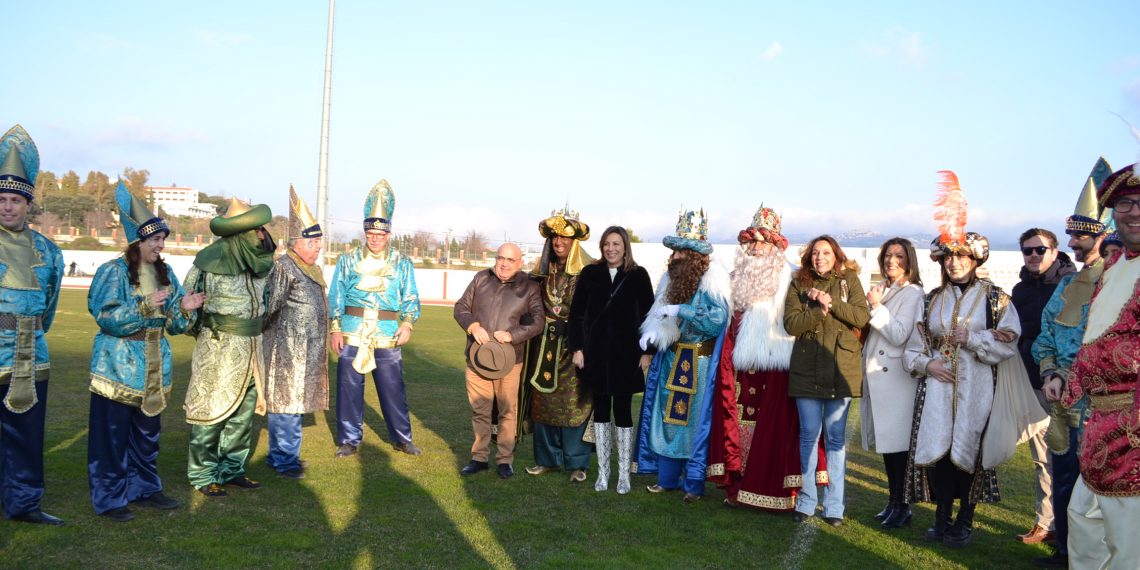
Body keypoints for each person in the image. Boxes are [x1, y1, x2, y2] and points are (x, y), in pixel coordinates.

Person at [904, 170, 1043, 548]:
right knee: (941, 458)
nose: (953, 264)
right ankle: (941, 515)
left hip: (979, 388)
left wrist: (975, 338)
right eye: (948, 258)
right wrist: (925, 364)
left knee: (971, 455)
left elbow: (1009, 341)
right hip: (935, 391)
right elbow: (914, 347)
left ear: (974, 260)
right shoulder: (932, 299)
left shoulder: (996, 298)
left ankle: (965, 518)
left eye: (960, 257)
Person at [86, 182, 203, 522]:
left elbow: (176, 326)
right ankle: (109, 497)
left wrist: (186, 306)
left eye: (162, 238)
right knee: (111, 437)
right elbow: (106, 317)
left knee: (147, 434)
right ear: (137, 241)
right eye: (154, 239)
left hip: (155, 368)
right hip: (117, 367)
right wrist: (142, 305)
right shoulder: (114, 272)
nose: (160, 245)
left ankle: (145, 488)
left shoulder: (166, 274)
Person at [707, 207, 826, 511]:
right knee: (739, 422)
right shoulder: (734, 278)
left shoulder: (791, 279)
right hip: (740, 366)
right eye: (753, 243)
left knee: (773, 427)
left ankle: (772, 489)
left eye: (764, 243)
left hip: (778, 365)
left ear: (775, 248)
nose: (757, 248)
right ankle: (739, 483)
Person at [1054, 163, 1140, 569]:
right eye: (1125, 202)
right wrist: (1068, 388)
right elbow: (1096, 339)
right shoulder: (1116, 267)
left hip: (1134, 442)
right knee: (1085, 535)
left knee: (1130, 547)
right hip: (1097, 435)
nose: (1135, 211)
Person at [1033, 158, 1112, 568]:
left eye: (1081, 235)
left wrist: (1069, 376)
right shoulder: (1065, 284)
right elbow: (1046, 333)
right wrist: (1050, 373)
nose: (1073, 241)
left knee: (1099, 484)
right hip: (1062, 400)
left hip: (1100, 403)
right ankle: (1065, 551)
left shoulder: (1116, 283)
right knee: (1063, 477)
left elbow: (1103, 344)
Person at [183, 197, 276, 497]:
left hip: (252, 348)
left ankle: (231, 469)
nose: (262, 235)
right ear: (242, 233)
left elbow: (267, 301)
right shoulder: (207, 262)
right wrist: (207, 330)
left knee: (243, 414)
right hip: (219, 349)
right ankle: (202, 474)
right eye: (257, 230)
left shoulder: (261, 263)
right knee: (212, 410)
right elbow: (187, 303)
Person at [635, 208, 730, 502]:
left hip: (699, 364)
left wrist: (682, 310)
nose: (674, 256)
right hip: (671, 361)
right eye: (674, 250)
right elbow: (660, 314)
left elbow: (716, 321)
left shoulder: (712, 281)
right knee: (667, 418)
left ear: (695, 255)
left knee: (693, 425)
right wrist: (653, 333)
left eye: (681, 251)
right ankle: (666, 479)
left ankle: (693, 485)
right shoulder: (669, 279)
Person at [328, 180, 422, 458]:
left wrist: (407, 323)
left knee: (393, 389)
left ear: (388, 234)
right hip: (352, 331)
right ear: (365, 232)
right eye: (371, 233)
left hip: (387, 332)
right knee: (348, 389)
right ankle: (349, 439)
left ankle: (401, 438)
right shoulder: (347, 260)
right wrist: (335, 329)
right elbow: (336, 295)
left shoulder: (402, 262)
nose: (375, 238)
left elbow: (410, 297)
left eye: (381, 234)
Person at [0, 125, 65, 525]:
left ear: (28, 205)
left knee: (26, 434)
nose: (7, 207)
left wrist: (28, 331)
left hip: (31, 354)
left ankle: (24, 504)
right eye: (1, 199)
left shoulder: (49, 250)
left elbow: (51, 305)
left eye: (15, 200)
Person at [783, 235, 869, 526]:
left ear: (836, 256)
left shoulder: (850, 281)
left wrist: (831, 304)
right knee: (808, 435)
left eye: (826, 252)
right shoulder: (798, 283)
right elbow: (791, 324)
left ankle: (834, 506)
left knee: (835, 438)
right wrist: (817, 311)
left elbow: (861, 317)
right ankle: (807, 501)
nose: (820, 257)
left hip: (840, 368)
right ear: (809, 257)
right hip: (807, 367)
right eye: (815, 252)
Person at [567, 226, 654, 494]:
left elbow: (650, 317)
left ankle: (623, 475)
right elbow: (577, 315)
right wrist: (578, 348)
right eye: (606, 244)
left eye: (616, 244)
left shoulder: (638, 275)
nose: (611, 248)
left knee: (624, 413)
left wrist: (647, 351)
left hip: (626, 357)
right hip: (595, 356)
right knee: (601, 413)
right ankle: (603, 473)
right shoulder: (590, 274)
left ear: (625, 246)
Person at [453, 243, 544, 479]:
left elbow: (538, 322)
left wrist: (513, 335)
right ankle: (479, 458)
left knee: (507, 411)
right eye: (500, 258)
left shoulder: (530, 287)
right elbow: (461, 307)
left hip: (510, 361)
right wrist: (471, 325)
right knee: (480, 411)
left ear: (520, 263)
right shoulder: (480, 278)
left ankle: (505, 460)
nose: (504, 263)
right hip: (477, 357)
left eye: (510, 260)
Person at [1012, 227, 1076, 545]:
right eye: (1028, 250)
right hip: (1032, 383)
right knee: (1042, 457)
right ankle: (1046, 522)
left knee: (1069, 458)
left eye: (1040, 249)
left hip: (1069, 385)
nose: (1034, 255)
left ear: (1055, 251)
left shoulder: (1072, 287)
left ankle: (1072, 529)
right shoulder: (1020, 290)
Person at [521, 208, 594, 482]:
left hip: (574, 348)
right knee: (542, 403)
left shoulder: (588, 273)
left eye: (564, 238)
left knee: (574, 404)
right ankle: (547, 460)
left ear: (574, 242)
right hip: (543, 348)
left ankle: (577, 463)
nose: (559, 243)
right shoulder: (540, 274)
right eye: (554, 238)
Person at [262, 187, 329, 479]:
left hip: (306, 351)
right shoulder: (284, 267)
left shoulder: (309, 268)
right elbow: (270, 307)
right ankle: (285, 460)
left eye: (319, 243)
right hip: (288, 351)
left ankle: (283, 455)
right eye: (313, 243)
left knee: (293, 404)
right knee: (285, 404)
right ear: (298, 243)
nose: (318, 248)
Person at [860, 237, 924, 529]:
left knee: (899, 448)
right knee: (889, 448)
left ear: (909, 260)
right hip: (880, 378)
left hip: (897, 379)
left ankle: (903, 505)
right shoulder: (887, 289)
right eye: (887, 255)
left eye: (898, 256)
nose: (891, 261)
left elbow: (899, 334)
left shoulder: (912, 293)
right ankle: (893, 500)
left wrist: (876, 306)